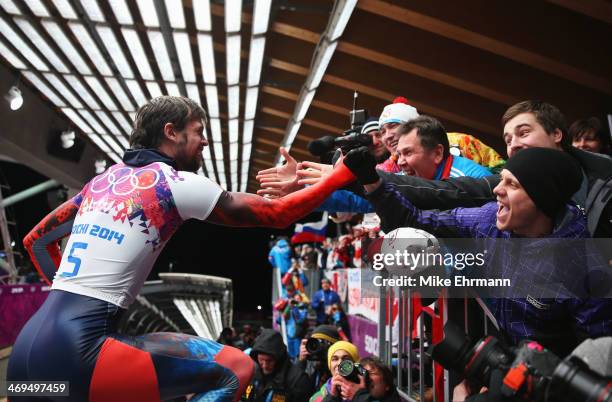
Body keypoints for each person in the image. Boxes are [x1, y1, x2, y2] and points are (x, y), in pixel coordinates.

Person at [10, 96, 357, 401]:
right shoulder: (171, 183)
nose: (205, 140)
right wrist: (341, 175)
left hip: (28, 354)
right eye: (198, 130)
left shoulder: (101, 182)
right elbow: (279, 214)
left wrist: (72, 292)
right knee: (235, 369)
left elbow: (36, 241)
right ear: (171, 131)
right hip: (79, 353)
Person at [343, 146, 612, 357]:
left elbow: (596, 358)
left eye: (512, 185)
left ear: (544, 198)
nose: (496, 189)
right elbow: (416, 220)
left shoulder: (586, 267)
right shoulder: (487, 220)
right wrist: (373, 183)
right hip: (507, 355)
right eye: (501, 180)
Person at [370, 100, 612, 239]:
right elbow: (439, 194)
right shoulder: (492, 205)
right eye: (507, 139)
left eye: (524, 133)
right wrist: (365, 178)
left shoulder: (603, 188)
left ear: (557, 134)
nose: (514, 144)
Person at [396, 116, 491, 179]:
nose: (400, 162)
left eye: (408, 153)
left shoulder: (475, 180)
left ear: (437, 153)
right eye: (399, 154)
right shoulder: (401, 178)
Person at [244, 329, 312, 402]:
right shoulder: (253, 374)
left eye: (269, 361)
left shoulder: (298, 380)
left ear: (279, 358)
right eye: (261, 360)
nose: (265, 365)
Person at [297, 325, 342, 393]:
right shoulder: (311, 363)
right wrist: (301, 362)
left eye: (322, 342)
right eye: (314, 342)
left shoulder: (341, 364)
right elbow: (297, 386)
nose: (316, 347)